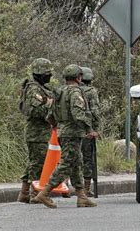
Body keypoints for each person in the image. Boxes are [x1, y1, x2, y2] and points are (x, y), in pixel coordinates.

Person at [36, 64, 98, 208]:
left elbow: (49, 115)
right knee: (66, 164)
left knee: (76, 163)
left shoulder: (59, 92)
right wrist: (89, 129)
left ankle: (81, 196)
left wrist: (56, 126)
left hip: (62, 132)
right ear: (78, 77)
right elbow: (78, 115)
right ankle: (45, 192)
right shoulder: (75, 92)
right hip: (73, 133)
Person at [17, 58, 54, 203]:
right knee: (38, 163)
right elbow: (34, 111)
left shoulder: (40, 88)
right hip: (36, 133)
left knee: (35, 162)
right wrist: (50, 106)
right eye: (47, 73)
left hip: (41, 132)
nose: (49, 76)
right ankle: (35, 193)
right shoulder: (34, 89)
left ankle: (24, 193)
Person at [80, 67, 101, 197]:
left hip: (71, 130)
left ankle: (68, 184)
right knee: (88, 158)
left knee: (70, 158)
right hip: (87, 130)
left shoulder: (72, 90)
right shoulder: (91, 91)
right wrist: (96, 128)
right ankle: (86, 188)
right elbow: (95, 111)